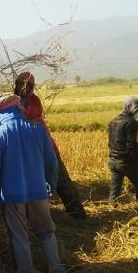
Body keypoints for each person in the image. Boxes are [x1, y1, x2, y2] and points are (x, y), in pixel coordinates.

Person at [0, 95, 66, 273]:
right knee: (47, 232)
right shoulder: (38, 130)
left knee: (19, 236)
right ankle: (57, 272)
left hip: (11, 196)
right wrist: (52, 185)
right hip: (40, 192)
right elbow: (52, 163)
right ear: (18, 110)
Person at [14, 72, 87, 219]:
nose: (23, 87)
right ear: (15, 84)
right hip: (28, 151)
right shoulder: (12, 100)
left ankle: (78, 216)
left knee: (61, 180)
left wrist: (20, 112)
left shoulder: (34, 101)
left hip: (46, 148)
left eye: (28, 85)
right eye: (20, 83)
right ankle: (37, 215)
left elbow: (29, 119)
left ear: (32, 87)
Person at [108, 97, 138, 204]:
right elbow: (132, 146)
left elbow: (111, 143)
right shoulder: (131, 123)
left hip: (113, 161)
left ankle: (113, 208)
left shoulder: (113, 121)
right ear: (131, 107)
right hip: (125, 162)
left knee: (115, 191)